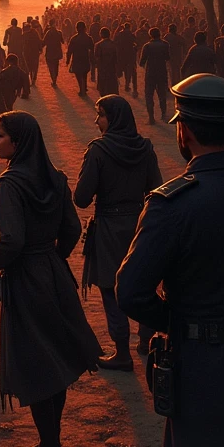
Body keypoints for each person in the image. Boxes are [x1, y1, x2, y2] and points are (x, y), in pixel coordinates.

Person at [117, 74, 224, 447]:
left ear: (184, 131)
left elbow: (131, 290)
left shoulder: (174, 203)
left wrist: (175, 320)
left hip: (203, 360)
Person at [0, 112, 101, 447]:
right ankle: (51, 441)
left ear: (18, 143)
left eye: (1, 136)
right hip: (52, 272)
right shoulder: (55, 178)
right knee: (55, 360)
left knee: (35, 365)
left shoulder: (10, 184)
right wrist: (52, 258)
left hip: (25, 278)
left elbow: (12, 240)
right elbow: (71, 228)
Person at [74, 97, 162, 368]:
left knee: (110, 288)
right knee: (143, 281)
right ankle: (146, 336)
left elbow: (81, 198)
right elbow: (156, 188)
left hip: (109, 226)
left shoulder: (98, 150)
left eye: (100, 115)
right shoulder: (145, 147)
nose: (96, 120)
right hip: (139, 223)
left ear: (113, 118)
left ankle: (122, 352)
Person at [140, 27, 171, 125]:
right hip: (162, 71)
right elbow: (167, 57)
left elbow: (142, 62)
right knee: (162, 93)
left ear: (150, 35)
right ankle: (163, 114)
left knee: (149, 95)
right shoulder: (165, 44)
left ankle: (151, 117)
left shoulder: (147, 46)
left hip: (150, 72)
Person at [66, 21, 95, 97]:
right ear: (85, 28)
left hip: (76, 59)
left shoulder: (74, 39)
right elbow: (92, 48)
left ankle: (82, 88)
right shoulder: (88, 38)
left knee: (78, 74)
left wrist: (68, 60)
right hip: (85, 58)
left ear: (76, 29)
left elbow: (69, 50)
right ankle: (84, 87)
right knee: (84, 74)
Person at [94, 27, 119, 96]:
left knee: (103, 89)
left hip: (102, 69)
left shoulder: (98, 45)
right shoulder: (114, 44)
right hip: (112, 69)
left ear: (101, 34)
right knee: (112, 88)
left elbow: (96, 57)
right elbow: (117, 58)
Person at [115, 23, 139, 96]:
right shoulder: (131, 35)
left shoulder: (119, 34)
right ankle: (133, 89)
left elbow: (115, 42)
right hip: (130, 55)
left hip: (121, 55)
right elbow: (136, 43)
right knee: (132, 72)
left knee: (122, 70)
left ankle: (119, 87)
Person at [42, 20, 64, 87]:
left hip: (49, 52)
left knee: (51, 67)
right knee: (56, 66)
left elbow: (44, 42)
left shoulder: (48, 33)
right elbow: (62, 41)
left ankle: (53, 80)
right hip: (57, 53)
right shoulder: (59, 32)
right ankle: (55, 80)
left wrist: (39, 49)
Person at [89, 14, 102, 83]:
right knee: (99, 61)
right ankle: (99, 77)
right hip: (99, 45)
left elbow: (90, 34)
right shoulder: (100, 26)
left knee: (93, 62)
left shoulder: (92, 26)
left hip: (93, 44)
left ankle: (93, 77)